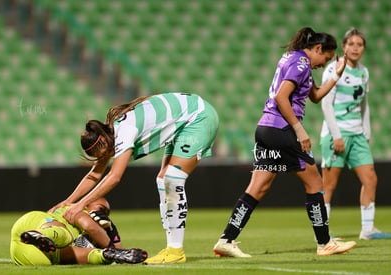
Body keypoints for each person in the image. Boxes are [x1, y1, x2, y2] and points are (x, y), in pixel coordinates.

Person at [213, 27, 357, 258]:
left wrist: (336, 75)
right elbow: (281, 96)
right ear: (318, 48)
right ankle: (324, 242)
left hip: (266, 129)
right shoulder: (301, 65)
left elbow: (316, 96)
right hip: (281, 130)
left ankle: (226, 239)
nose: (324, 63)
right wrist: (300, 130)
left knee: (258, 187)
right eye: (326, 58)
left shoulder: (296, 61)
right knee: (314, 182)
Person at [49, 92, 219, 264]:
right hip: (184, 122)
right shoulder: (110, 134)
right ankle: (171, 248)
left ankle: (175, 250)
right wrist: (68, 201)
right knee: (163, 181)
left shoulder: (124, 131)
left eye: (106, 153)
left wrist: (81, 205)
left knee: (172, 179)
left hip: (198, 116)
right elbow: (95, 174)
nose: (108, 156)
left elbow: (114, 177)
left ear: (104, 141)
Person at [320, 28, 391, 240]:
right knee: (328, 186)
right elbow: (326, 104)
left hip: (357, 134)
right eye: (351, 44)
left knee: (370, 179)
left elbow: (365, 105)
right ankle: (321, 233)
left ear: (364, 48)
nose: (355, 48)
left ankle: (367, 230)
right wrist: (337, 135)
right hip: (336, 134)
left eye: (359, 45)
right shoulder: (333, 69)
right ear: (344, 47)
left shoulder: (364, 72)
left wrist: (366, 132)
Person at [11, 198, 147, 265]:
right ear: (88, 204)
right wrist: (108, 237)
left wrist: (111, 230)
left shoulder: (97, 231)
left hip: (31, 256)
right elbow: (90, 227)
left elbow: (119, 255)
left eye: (106, 213)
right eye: (101, 208)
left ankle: (103, 255)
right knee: (66, 235)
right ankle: (41, 235)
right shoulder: (77, 209)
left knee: (85, 255)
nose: (103, 213)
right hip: (32, 225)